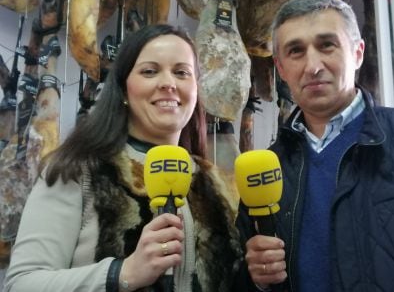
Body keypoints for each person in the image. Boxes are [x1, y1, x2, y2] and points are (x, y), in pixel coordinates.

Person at [4, 24, 242, 292]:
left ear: (196, 89)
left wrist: (257, 277)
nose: (168, 83)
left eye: (181, 72)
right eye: (150, 71)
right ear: (124, 89)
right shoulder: (78, 170)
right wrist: (122, 272)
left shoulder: (220, 186)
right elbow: (21, 284)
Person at [235, 0, 394, 291]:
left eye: (327, 45)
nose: (313, 66)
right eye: (296, 51)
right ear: (281, 69)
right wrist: (253, 277)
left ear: (357, 53)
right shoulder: (265, 170)